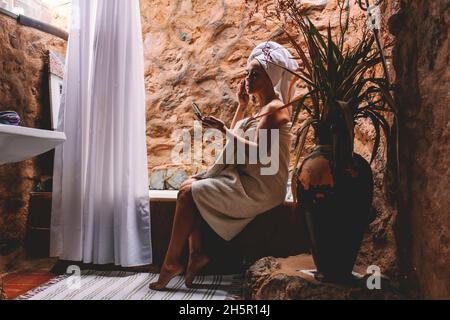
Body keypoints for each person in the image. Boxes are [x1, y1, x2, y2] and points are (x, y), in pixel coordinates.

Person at [149, 41, 298, 291]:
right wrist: (241, 107)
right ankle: (196, 253)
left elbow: (258, 154)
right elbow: (238, 140)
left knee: (187, 192)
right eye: (248, 72)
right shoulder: (260, 109)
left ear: (271, 78)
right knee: (189, 186)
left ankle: (172, 263)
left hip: (262, 186)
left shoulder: (275, 109)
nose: (248, 78)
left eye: (256, 73)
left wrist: (223, 129)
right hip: (249, 178)